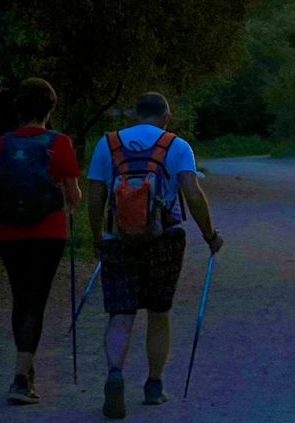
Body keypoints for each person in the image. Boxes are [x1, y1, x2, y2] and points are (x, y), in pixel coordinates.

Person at [86, 92, 223, 419]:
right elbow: (192, 192)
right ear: (166, 116)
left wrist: (98, 238)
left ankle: (115, 374)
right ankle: (153, 385)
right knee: (159, 312)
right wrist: (209, 235)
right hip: (165, 239)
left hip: (118, 239)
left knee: (121, 313)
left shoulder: (108, 144)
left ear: (134, 115)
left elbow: (95, 197)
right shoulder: (177, 146)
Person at [0, 78, 82, 404]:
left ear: (18, 107)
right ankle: (21, 377)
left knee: (21, 297)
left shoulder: (1, 144)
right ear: (51, 108)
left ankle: (24, 370)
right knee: (35, 300)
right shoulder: (59, 143)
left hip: (7, 232)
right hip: (48, 232)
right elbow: (73, 197)